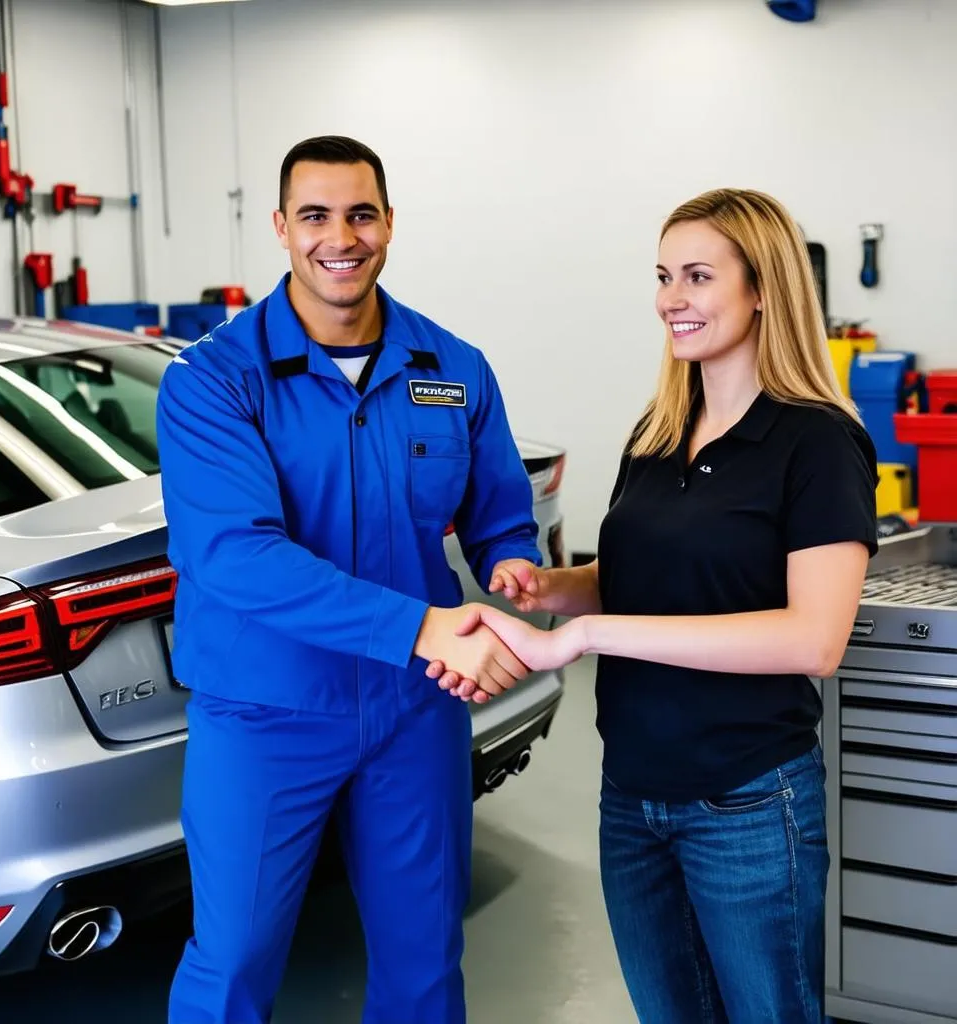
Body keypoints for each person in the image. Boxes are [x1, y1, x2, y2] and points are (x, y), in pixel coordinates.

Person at [433, 188, 878, 1023]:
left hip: (745, 801)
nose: (670, 298)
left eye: (698, 276)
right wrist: (556, 591)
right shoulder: (661, 429)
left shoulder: (817, 440)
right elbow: (643, 576)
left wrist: (591, 634)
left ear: (762, 289)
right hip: (633, 798)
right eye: (664, 275)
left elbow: (815, 638)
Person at [156, 135, 541, 1024]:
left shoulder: (451, 368)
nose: (342, 236)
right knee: (235, 962)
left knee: (425, 958)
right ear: (283, 228)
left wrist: (510, 560)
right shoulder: (214, 379)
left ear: (390, 225)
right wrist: (422, 626)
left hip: (414, 710)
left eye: (361, 214)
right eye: (318, 215)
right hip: (266, 709)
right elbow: (235, 554)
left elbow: (495, 510)